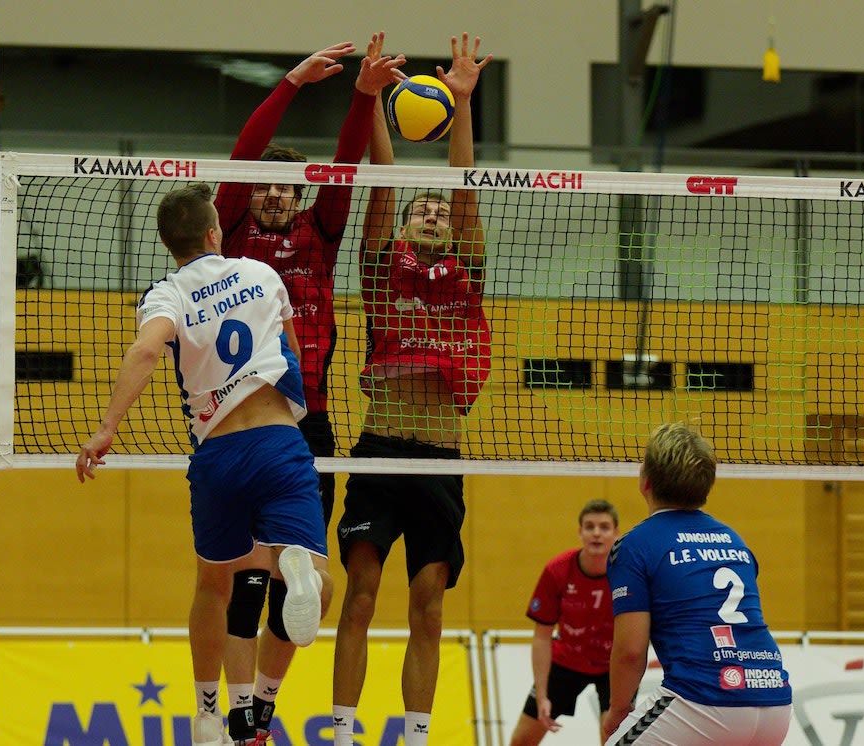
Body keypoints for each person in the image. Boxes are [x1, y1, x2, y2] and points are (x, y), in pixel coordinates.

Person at [76, 182, 332, 746]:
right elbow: (292, 351)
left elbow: (146, 351)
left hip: (216, 453)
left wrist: (106, 429)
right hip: (278, 442)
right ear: (216, 232)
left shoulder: (166, 293)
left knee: (213, 586)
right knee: (316, 578)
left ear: (170, 243)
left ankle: (209, 712)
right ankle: (272, 669)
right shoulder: (263, 275)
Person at [213, 34, 404, 745]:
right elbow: (239, 158)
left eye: (283, 187)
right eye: (263, 185)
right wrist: (292, 80)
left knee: (308, 591)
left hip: (310, 427)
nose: (270, 194)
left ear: (298, 197)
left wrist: (361, 97)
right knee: (246, 579)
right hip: (237, 425)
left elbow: (348, 166)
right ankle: (239, 710)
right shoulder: (230, 234)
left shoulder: (320, 231)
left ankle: (262, 703)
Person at [331, 34, 492, 746]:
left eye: (436, 211)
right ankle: (341, 730)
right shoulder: (379, 273)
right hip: (378, 454)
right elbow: (380, 187)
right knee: (361, 600)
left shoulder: (467, 280)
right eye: (417, 210)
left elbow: (463, 192)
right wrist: (369, 101)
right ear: (399, 229)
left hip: (439, 461)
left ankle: (417, 735)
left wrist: (460, 103)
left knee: (427, 608)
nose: (429, 212)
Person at [604, 423, 792, 745]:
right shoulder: (734, 539)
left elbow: (631, 652)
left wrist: (617, 712)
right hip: (774, 698)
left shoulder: (634, 546)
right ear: (705, 486)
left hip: (704, 698)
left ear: (645, 481)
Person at [508, 500, 620, 746]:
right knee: (521, 741)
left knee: (613, 740)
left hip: (614, 664)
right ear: (580, 532)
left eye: (604, 527)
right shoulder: (557, 570)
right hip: (567, 659)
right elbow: (542, 636)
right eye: (589, 527)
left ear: (616, 534)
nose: (597, 533)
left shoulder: (629, 572)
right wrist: (542, 695)